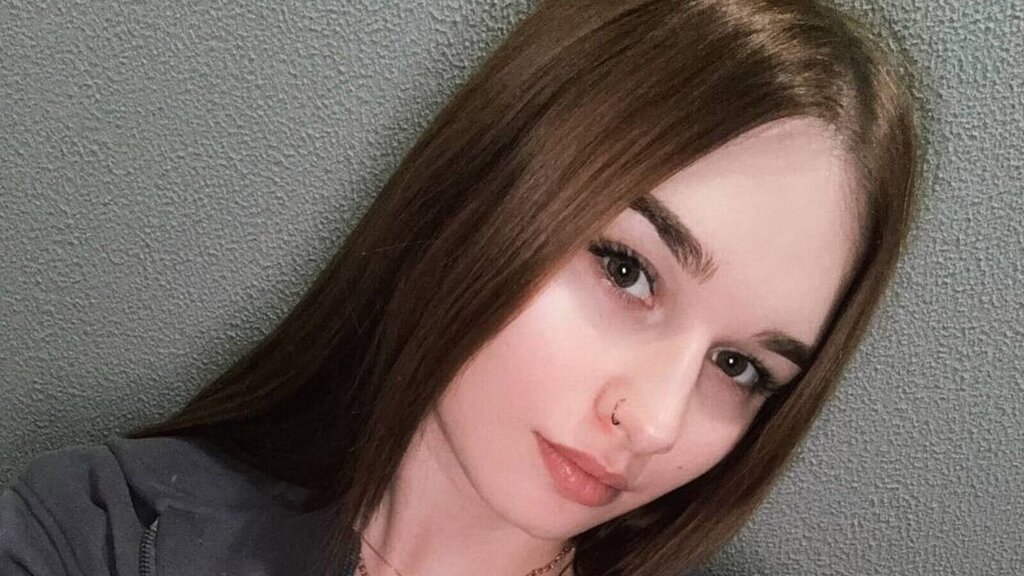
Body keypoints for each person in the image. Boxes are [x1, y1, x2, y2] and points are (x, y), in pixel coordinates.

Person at [0, 0, 919, 575]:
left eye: (741, 367)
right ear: (483, 194)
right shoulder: (103, 533)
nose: (654, 422)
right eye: (628, 270)